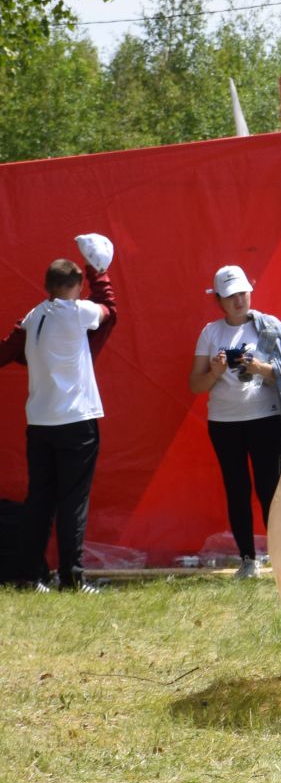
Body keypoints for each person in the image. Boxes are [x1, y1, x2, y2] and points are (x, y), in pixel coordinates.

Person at [1, 234, 118, 591]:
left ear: (46, 285)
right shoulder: (78, 311)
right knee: (73, 503)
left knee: (39, 500)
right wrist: (98, 271)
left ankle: (28, 575)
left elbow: (9, 352)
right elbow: (109, 309)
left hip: (39, 423)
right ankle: (72, 578)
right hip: (76, 423)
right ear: (78, 287)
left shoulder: (32, 316)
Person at [189, 266, 281, 579]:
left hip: (265, 418)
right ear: (219, 301)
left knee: (270, 489)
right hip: (224, 422)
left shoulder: (270, 326)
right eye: (230, 296)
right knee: (236, 489)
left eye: (242, 293)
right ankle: (248, 560)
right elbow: (195, 384)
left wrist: (260, 368)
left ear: (250, 290)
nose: (238, 300)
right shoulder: (211, 332)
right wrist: (215, 371)